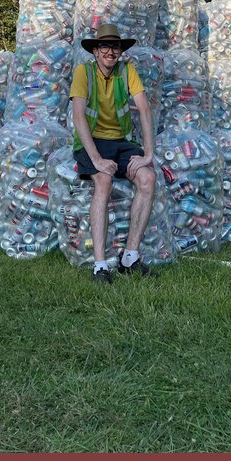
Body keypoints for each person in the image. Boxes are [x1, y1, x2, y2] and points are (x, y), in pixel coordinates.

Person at [70, 23, 157, 283]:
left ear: (121, 51)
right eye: (105, 46)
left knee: (148, 179)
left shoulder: (126, 70)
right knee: (104, 180)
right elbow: (78, 117)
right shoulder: (83, 72)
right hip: (91, 142)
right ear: (95, 51)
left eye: (115, 46)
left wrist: (148, 154)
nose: (111, 51)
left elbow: (144, 109)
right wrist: (96, 158)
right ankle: (100, 265)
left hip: (122, 142)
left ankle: (130, 257)